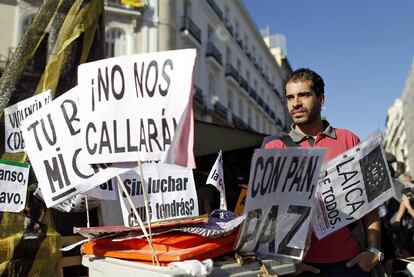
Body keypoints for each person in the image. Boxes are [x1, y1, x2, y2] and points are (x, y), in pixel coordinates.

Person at [264, 68, 382, 276]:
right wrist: (285, 264)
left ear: (321, 99)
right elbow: (267, 216)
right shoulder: (274, 149)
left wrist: (373, 251)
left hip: (351, 264)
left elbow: (370, 204)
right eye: (290, 97)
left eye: (304, 95)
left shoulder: (349, 139)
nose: (296, 103)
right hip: (300, 269)